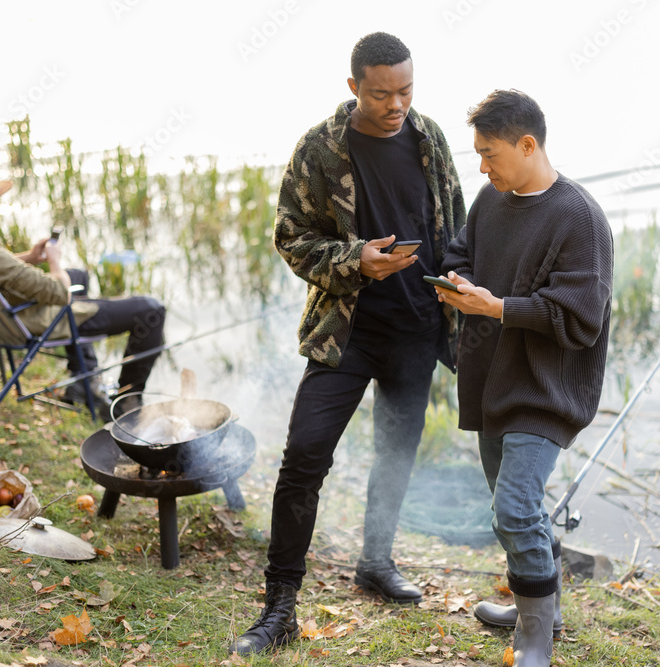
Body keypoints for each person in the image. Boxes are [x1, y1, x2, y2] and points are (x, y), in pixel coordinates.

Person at [229, 32, 465, 656]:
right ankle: (280, 605)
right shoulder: (319, 148)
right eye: (383, 93)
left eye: (407, 91)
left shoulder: (430, 138)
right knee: (304, 455)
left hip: (419, 329)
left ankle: (375, 563)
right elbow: (290, 237)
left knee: (396, 454)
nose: (397, 105)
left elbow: (457, 225)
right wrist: (355, 259)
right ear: (354, 85)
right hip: (346, 332)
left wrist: (462, 293)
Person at [435, 90, 613, 667]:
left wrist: (501, 308)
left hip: (547, 388)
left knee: (513, 509)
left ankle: (535, 635)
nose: (482, 167)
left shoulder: (578, 218)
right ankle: (544, 604)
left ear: (527, 144)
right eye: (479, 154)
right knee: (517, 510)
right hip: (492, 380)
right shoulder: (491, 199)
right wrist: (458, 282)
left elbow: (579, 321)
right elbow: (463, 252)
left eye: (490, 153)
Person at [0, 166, 165, 418]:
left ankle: (83, 378)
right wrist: (54, 262)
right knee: (150, 309)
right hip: (32, 319)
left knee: (78, 275)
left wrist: (30, 257)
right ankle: (126, 402)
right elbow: (60, 293)